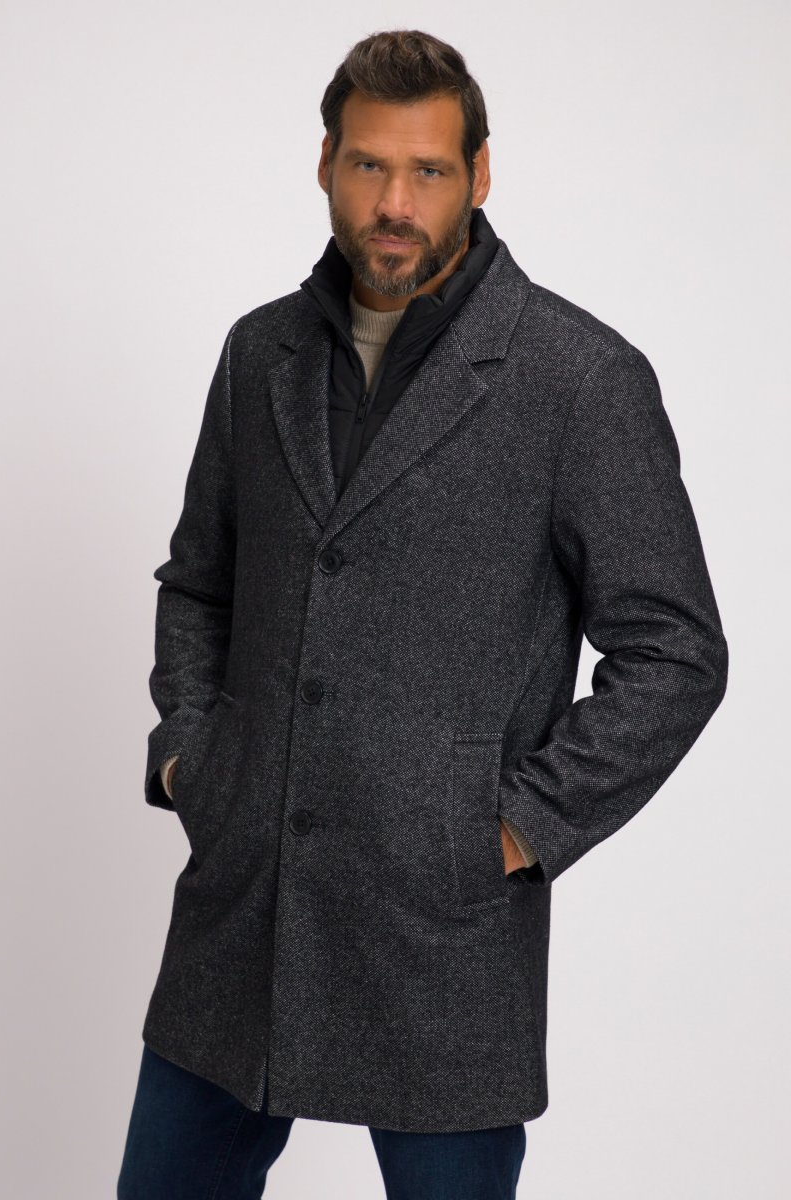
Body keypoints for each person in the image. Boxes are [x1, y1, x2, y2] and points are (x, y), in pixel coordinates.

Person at [117, 28, 728, 1200]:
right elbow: (199, 581)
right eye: (367, 165)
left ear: (478, 174)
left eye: (428, 170)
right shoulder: (259, 353)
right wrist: (195, 758)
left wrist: (514, 828)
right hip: (242, 908)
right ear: (325, 164)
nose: (393, 203)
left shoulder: (575, 378)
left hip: (440, 931)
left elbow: (675, 652)